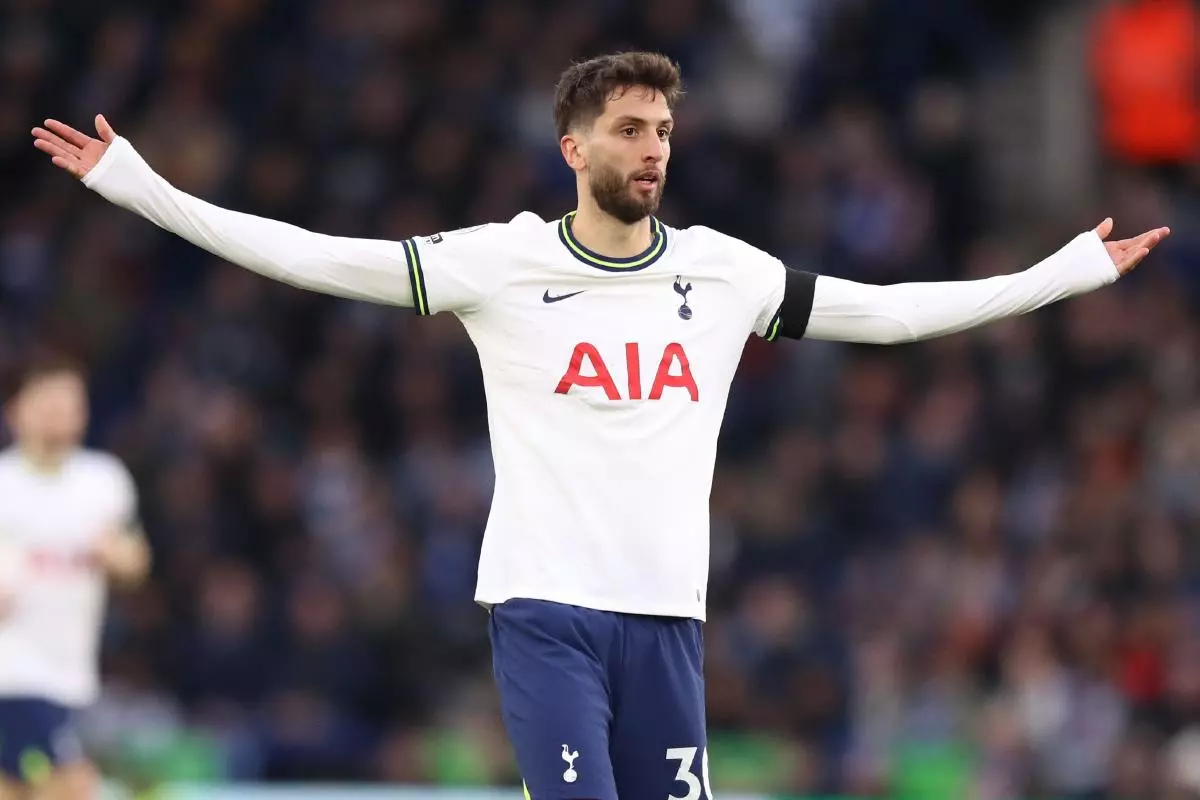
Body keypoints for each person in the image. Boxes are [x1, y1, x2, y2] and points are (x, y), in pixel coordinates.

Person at [30, 51, 1167, 800]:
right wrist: (141, 186)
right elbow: (315, 256)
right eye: (629, 129)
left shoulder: (725, 273)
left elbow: (898, 315)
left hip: (668, 616)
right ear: (575, 149)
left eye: (663, 128)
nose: (653, 147)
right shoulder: (504, 262)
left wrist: (1065, 271)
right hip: (547, 609)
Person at [0, 356, 150, 800]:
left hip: (72, 673)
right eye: (48, 401)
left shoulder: (103, 482)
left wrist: (118, 557)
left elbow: (136, 561)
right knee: (71, 787)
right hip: (14, 674)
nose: (61, 412)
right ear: (16, 410)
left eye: (71, 403)